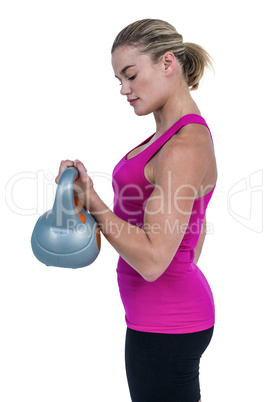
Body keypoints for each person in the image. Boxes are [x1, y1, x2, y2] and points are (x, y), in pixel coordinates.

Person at [56, 18, 217, 402]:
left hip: (167, 325)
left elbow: (152, 262)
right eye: (119, 81)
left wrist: (92, 199)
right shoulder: (168, 137)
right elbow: (196, 227)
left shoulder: (183, 146)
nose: (124, 90)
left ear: (167, 63)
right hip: (159, 319)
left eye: (130, 75)